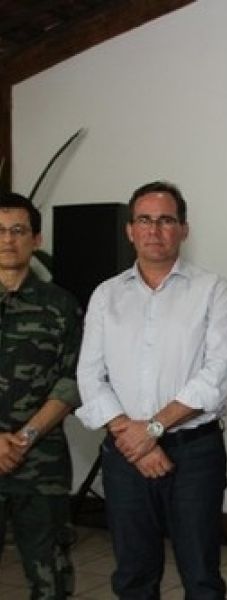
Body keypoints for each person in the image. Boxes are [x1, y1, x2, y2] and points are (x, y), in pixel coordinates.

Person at [76, 181, 227, 599]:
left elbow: (217, 374)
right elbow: (90, 376)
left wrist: (151, 430)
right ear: (130, 230)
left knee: (201, 576)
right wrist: (135, 440)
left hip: (194, 455)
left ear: (183, 229)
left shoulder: (213, 289)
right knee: (133, 575)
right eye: (145, 220)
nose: (154, 230)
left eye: (166, 220)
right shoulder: (107, 295)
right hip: (124, 455)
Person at [0, 191, 82, 599]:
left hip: (41, 462)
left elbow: (72, 381)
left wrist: (24, 437)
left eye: (18, 230)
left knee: (49, 577)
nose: (7, 239)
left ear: (36, 239)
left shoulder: (61, 306)